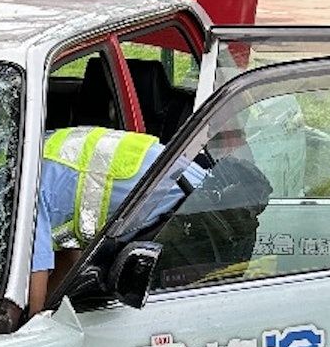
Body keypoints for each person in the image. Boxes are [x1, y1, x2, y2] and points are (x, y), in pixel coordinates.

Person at [27, 124, 269, 310]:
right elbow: (69, 256)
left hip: (184, 219)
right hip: (178, 191)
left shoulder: (24, 189)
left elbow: (32, 303)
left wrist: (29, 326)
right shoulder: (43, 158)